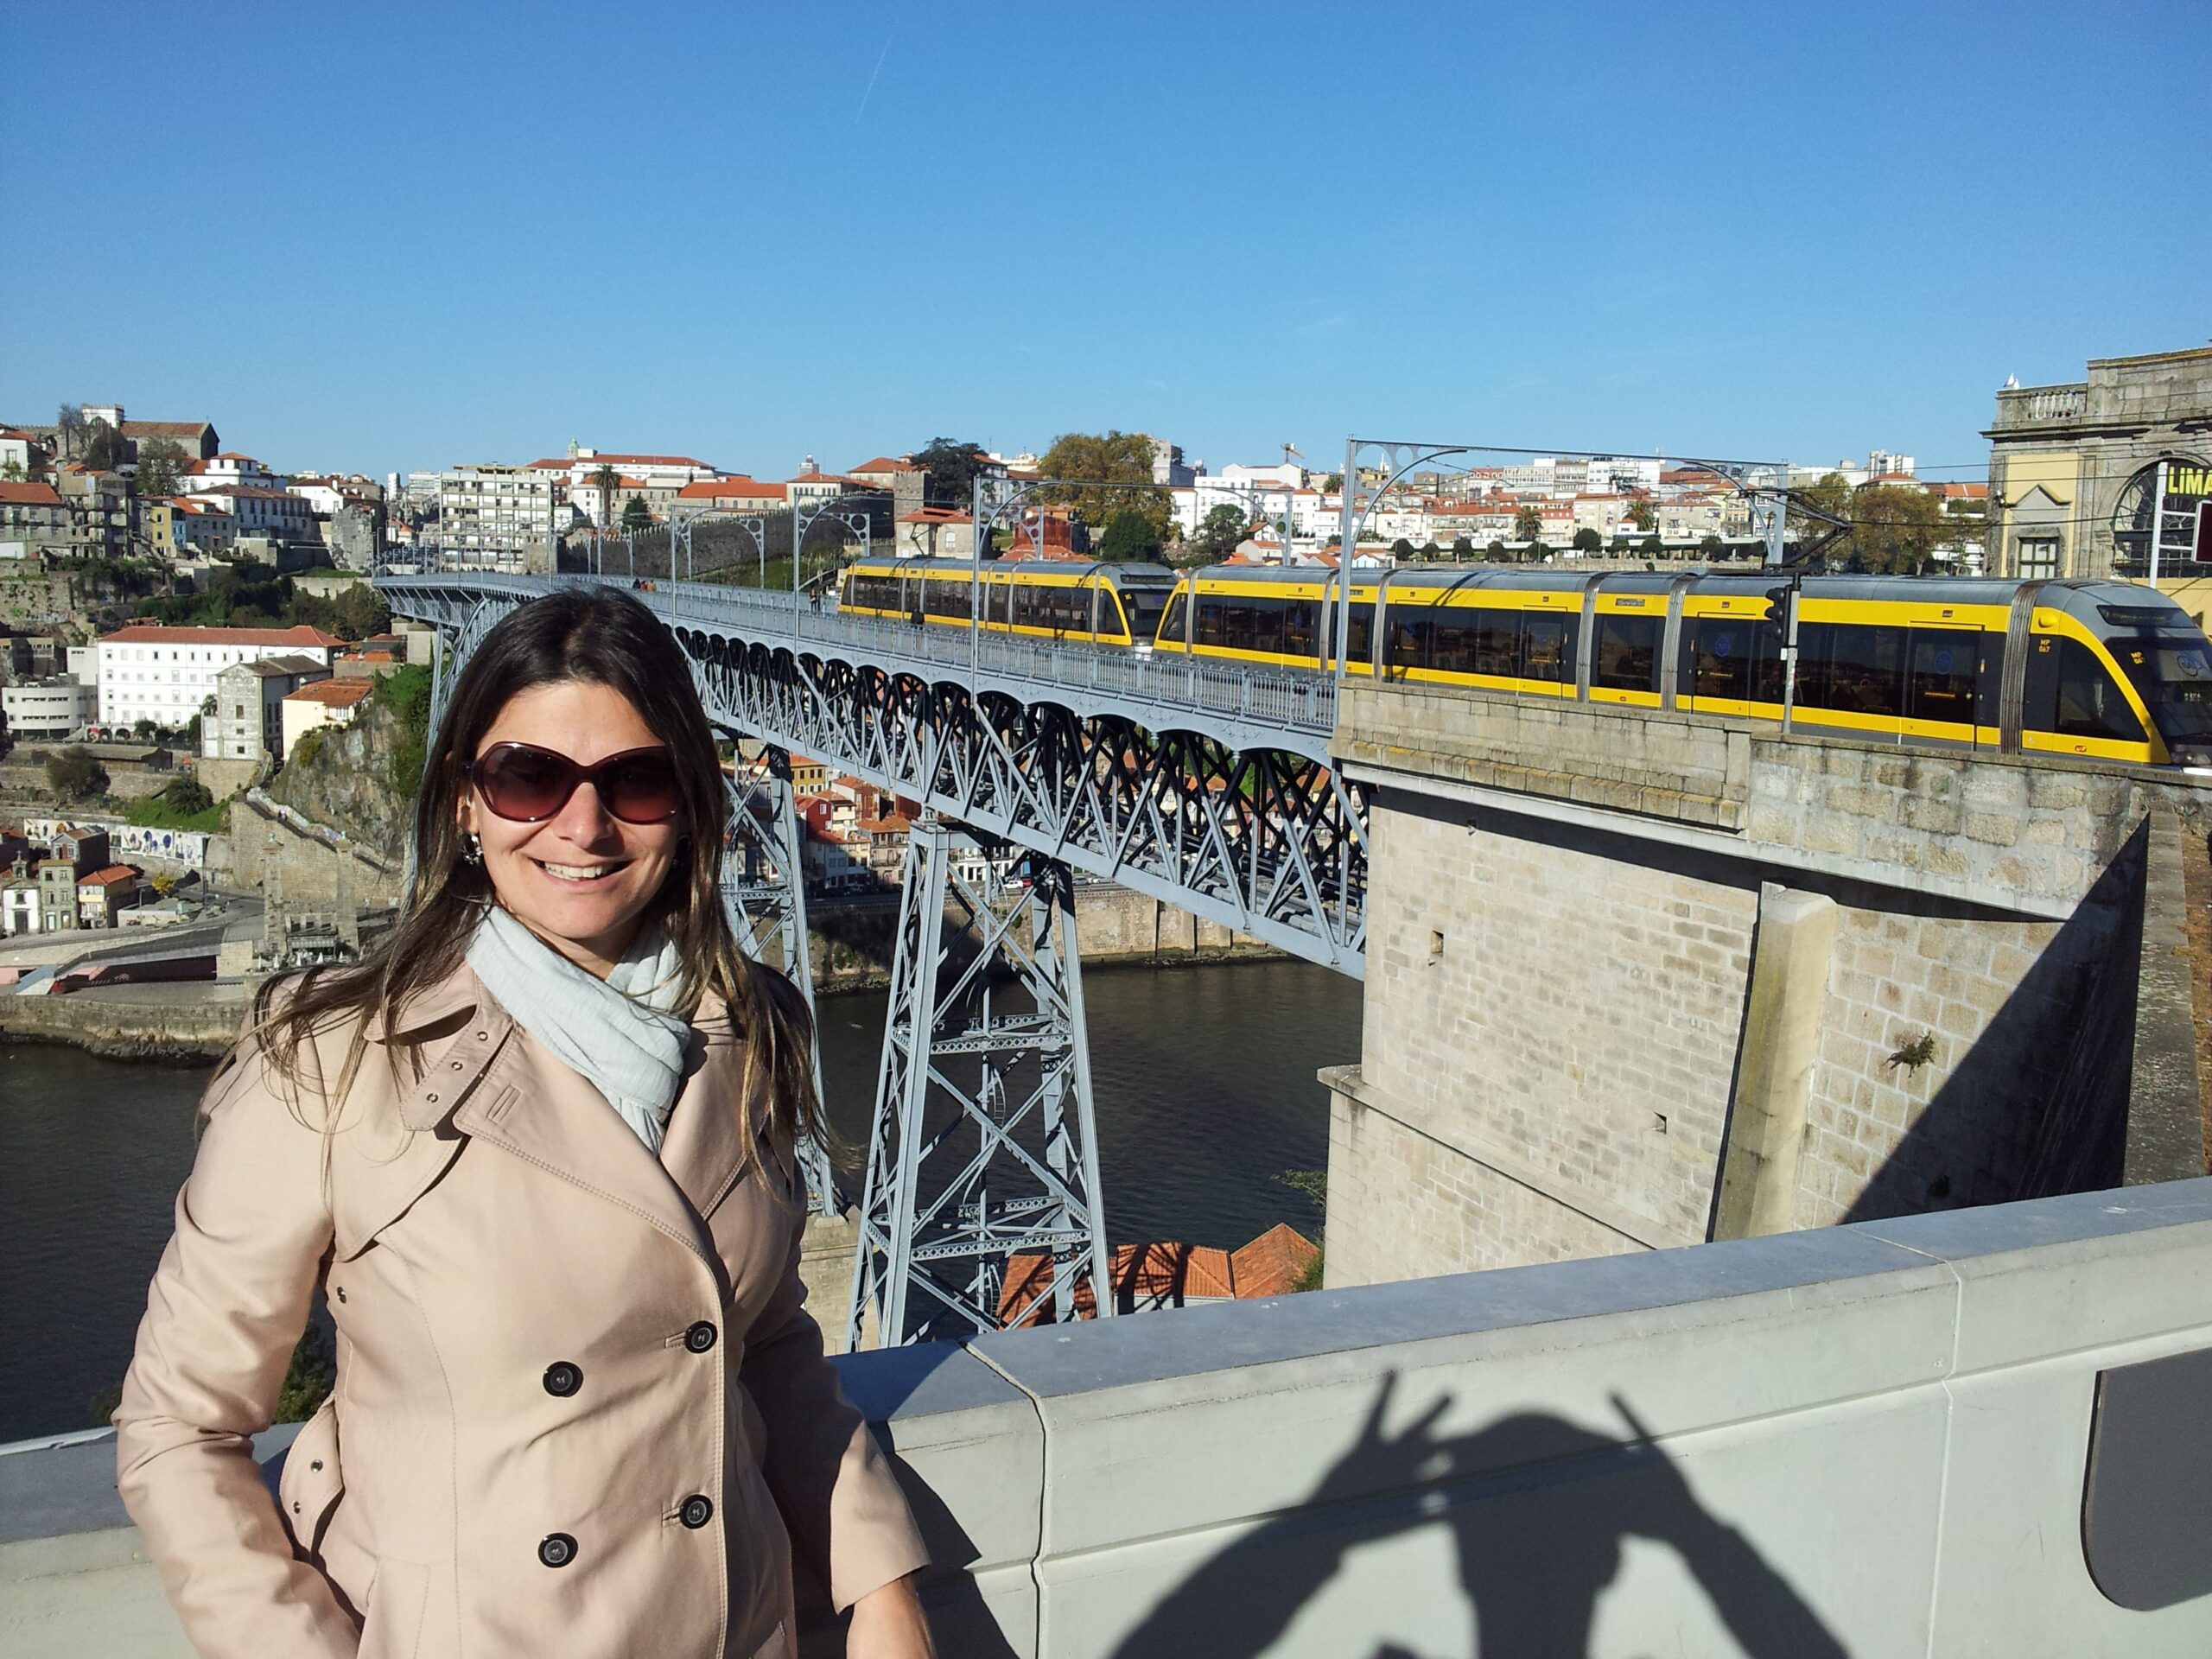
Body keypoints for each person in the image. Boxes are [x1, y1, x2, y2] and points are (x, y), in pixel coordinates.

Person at [115, 588, 935, 1658]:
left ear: (689, 802)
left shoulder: (751, 1030)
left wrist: (879, 1587)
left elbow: (762, 1344)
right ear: (465, 801)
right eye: (528, 777)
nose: (582, 827)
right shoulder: (333, 1062)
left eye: (635, 781)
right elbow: (179, 1429)